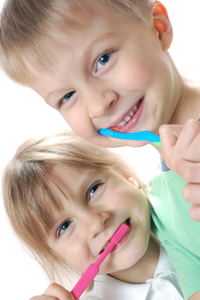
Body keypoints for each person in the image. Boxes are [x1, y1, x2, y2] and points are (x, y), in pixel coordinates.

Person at [0, 0, 200, 296]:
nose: (96, 105)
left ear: (159, 27)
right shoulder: (164, 202)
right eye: (68, 96)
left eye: (103, 59)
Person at [2, 129, 186, 300]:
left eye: (93, 190)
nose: (95, 224)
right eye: (64, 226)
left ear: (125, 175)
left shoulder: (187, 204)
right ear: (56, 254)